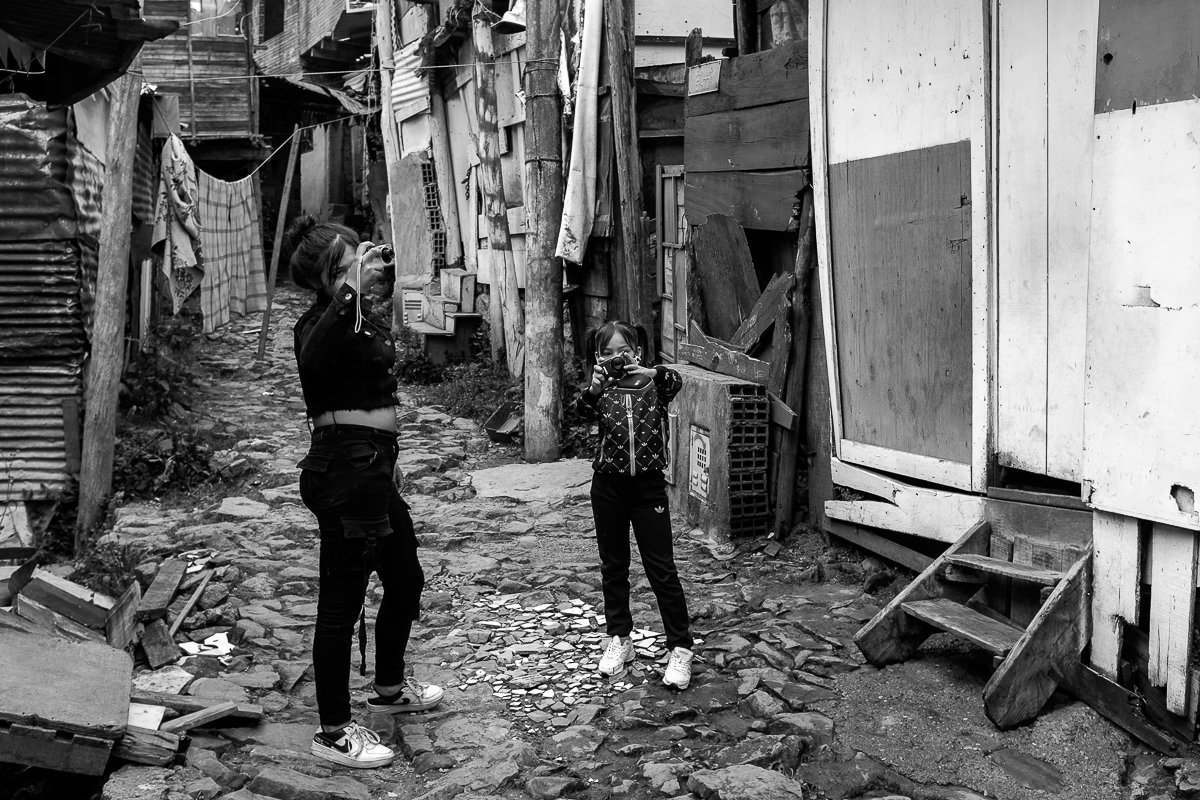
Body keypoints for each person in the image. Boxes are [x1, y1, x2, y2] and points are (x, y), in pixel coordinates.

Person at [286, 216, 443, 769]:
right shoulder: (314, 325)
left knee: (405, 577)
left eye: (359, 260)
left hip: (373, 469)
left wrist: (390, 463)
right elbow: (314, 360)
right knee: (342, 602)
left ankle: (389, 688)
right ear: (327, 277)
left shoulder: (359, 320)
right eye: (347, 266)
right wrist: (351, 288)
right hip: (343, 474)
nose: (362, 269)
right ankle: (332, 730)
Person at [578, 321, 695, 690]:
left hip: (648, 489)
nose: (617, 358)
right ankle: (619, 639)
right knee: (613, 566)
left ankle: (680, 648)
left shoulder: (654, 386)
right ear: (598, 358)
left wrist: (652, 371)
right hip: (607, 488)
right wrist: (594, 389)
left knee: (662, 569)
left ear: (638, 353)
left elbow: (676, 381)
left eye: (623, 351)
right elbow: (580, 412)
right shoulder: (600, 392)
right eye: (607, 353)